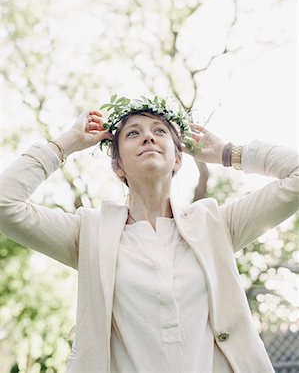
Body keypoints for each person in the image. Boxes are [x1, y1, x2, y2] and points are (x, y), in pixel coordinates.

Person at [0, 95, 298, 373]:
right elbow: (5, 203)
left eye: (160, 131)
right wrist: (66, 144)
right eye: (133, 133)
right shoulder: (88, 234)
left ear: (178, 159)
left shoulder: (215, 224)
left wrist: (228, 153)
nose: (148, 136)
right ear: (118, 166)